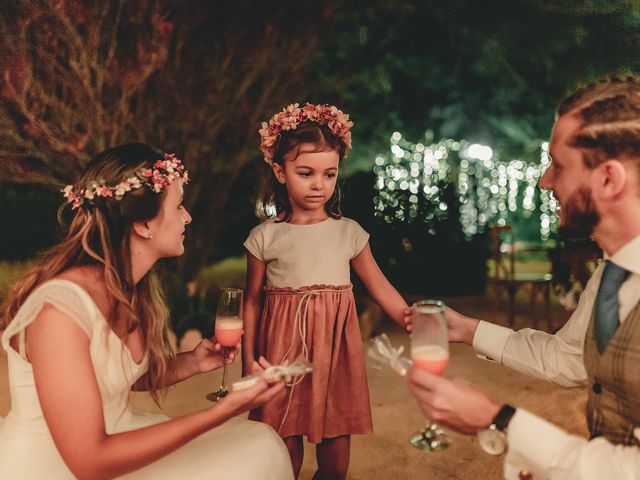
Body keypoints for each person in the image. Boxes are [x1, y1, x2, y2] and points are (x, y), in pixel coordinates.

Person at [0, 143, 294, 479]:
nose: (187, 217)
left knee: (259, 445)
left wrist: (193, 362)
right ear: (144, 225)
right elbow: (89, 462)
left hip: (114, 441)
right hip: (56, 465)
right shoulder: (60, 312)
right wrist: (225, 411)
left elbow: (118, 377)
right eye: (178, 206)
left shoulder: (128, 288)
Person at [406, 76, 640, 479]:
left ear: (608, 179)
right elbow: (567, 361)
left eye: (558, 165)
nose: (544, 181)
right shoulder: (611, 274)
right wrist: (467, 329)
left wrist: (498, 419)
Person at [243, 103, 410, 479]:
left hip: (335, 352)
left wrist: (411, 318)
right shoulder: (264, 237)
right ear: (280, 172)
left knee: (335, 460)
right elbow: (251, 302)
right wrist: (248, 362)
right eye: (306, 173)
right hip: (282, 352)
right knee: (282, 458)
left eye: (329, 174)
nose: (319, 184)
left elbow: (379, 284)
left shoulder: (348, 231)